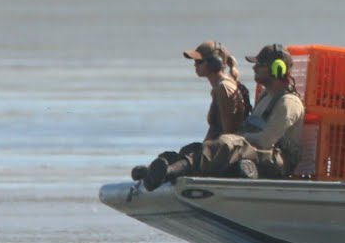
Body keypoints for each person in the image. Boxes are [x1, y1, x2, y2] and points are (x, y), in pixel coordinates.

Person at [141, 44, 306, 190]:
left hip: (276, 161)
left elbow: (264, 141)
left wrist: (237, 138)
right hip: (259, 152)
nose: (254, 68)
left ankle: (170, 172)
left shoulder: (289, 103)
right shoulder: (266, 96)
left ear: (277, 69)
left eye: (259, 65)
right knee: (197, 148)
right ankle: (159, 169)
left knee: (227, 144)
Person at [129, 40, 248, 181]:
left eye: (199, 62)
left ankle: (165, 173)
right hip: (214, 146)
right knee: (182, 152)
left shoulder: (224, 88)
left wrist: (207, 154)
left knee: (192, 156)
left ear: (214, 63)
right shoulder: (218, 87)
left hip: (223, 151)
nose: (195, 65)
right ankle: (153, 171)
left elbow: (229, 133)